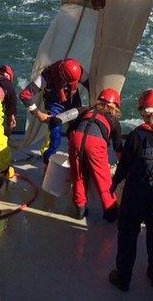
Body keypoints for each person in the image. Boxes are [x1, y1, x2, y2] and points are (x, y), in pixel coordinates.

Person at [108, 89, 153, 292]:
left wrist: (114, 183)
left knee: (128, 234)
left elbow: (124, 166)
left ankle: (123, 278)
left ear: (142, 112)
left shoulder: (135, 136)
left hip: (136, 191)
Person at [43, 88, 124, 220]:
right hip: (95, 144)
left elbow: (59, 122)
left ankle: (80, 210)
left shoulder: (85, 109)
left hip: (76, 139)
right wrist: (124, 166)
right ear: (115, 106)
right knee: (103, 179)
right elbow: (118, 147)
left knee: (78, 175)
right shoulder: (114, 120)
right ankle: (111, 212)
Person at [20, 58, 87, 163]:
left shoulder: (79, 71)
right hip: (55, 106)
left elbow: (90, 85)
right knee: (55, 139)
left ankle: (76, 163)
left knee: (77, 135)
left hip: (73, 101)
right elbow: (25, 95)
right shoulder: (46, 77)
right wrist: (38, 113)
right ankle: (48, 166)